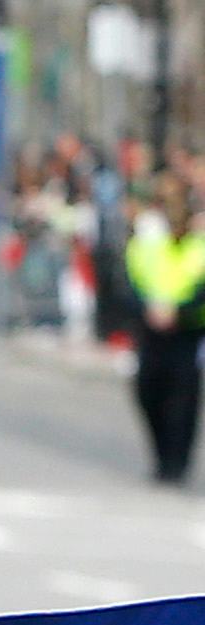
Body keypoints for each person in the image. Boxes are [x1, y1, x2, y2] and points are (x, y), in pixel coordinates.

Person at [126, 180, 205, 482]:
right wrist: (148, 308)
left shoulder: (199, 246)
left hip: (187, 331)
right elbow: (131, 281)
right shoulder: (146, 245)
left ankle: (177, 462)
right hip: (152, 331)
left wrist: (179, 311)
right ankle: (161, 454)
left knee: (183, 401)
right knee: (148, 391)